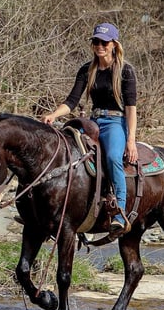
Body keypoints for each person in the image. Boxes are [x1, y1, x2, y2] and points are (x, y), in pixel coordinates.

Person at [41, 22, 138, 234]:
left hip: (115, 122)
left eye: (104, 42)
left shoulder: (125, 71)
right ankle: (54, 207)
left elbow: (131, 109)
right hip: (92, 122)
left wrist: (131, 140)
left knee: (112, 157)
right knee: (64, 149)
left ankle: (119, 210)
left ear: (114, 44)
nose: (99, 46)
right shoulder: (87, 69)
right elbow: (72, 100)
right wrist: (53, 115)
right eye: (96, 41)